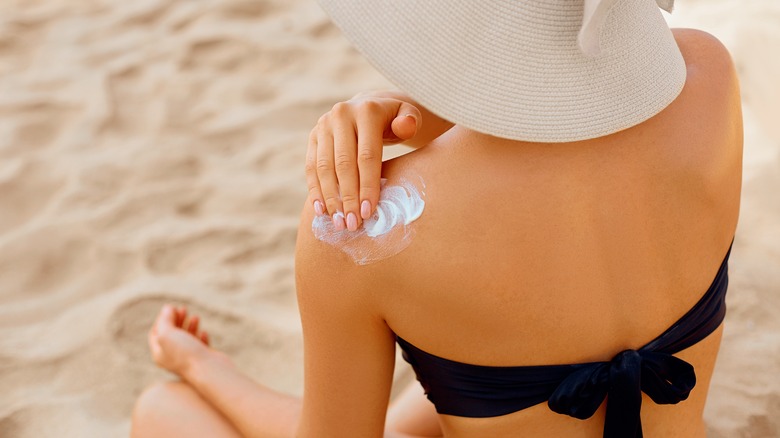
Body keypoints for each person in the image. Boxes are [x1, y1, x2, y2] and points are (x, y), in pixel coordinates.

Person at [131, 0, 743, 436]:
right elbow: (575, 116)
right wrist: (414, 115)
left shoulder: (363, 230)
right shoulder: (708, 76)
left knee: (164, 412)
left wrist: (204, 368)